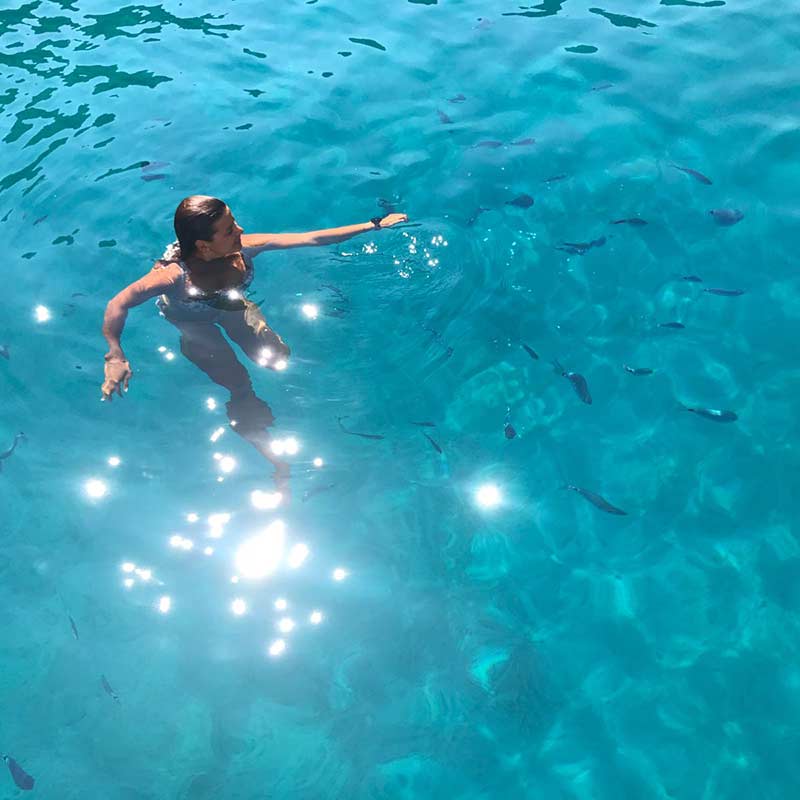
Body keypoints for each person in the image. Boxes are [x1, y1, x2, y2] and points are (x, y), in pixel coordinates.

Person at [101, 195, 407, 491]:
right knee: (240, 385)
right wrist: (115, 354)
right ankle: (274, 459)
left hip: (231, 307)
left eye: (234, 223)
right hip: (194, 325)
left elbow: (311, 238)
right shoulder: (173, 276)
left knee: (278, 357)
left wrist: (375, 224)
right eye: (229, 230)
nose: (241, 230)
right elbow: (119, 303)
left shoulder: (244, 249)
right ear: (203, 246)